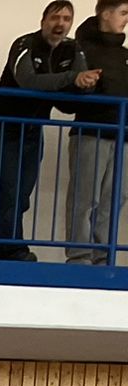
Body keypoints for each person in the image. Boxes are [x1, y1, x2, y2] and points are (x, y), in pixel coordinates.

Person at [0, 4, 93, 261]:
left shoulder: (73, 49)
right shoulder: (24, 44)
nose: (60, 23)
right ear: (43, 20)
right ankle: (14, 250)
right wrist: (72, 79)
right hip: (2, 127)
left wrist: (86, 85)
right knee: (10, 193)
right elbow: (28, 81)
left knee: (20, 197)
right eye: (55, 17)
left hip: (32, 131)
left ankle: (0, 254)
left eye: (67, 19)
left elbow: (70, 101)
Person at [68, 1, 128, 264]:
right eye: (123, 13)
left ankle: (102, 256)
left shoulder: (124, 55)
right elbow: (69, 92)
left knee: (115, 198)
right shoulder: (81, 49)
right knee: (85, 197)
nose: (126, 19)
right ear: (106, 14)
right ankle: (80, 256)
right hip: (93, 131)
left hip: (123, 134)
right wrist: (83, 85)